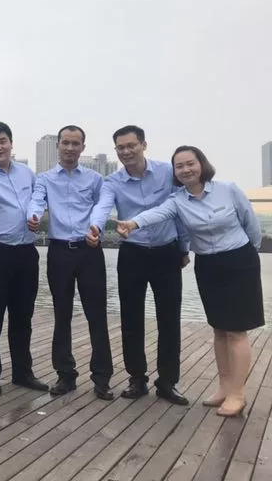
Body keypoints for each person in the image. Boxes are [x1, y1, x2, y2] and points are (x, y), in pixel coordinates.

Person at [117, 146, 264, 417]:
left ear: (201, 164)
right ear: (174, 172)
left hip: (239, 261)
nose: (186, 170)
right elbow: (156, 214)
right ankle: (224, 387)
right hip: (207, 264)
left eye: (190, 163)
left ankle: (238, 394)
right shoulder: (178, 200)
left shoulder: (228, 189)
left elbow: (251, 225)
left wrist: (248, 255)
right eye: (179, 166)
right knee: (219, 329)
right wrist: (132, 224)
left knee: (236, 331)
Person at [88, 125, 189, 405]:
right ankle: (137, 378)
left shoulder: (168, 172)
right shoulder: (112, 182)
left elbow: (180, 211)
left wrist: (183, 248)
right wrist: (96, 227)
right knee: (131, 318)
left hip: (166, 252)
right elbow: (102, 206)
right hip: (132, 254)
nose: (126, 151)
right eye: (120, 147)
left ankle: (168, 382)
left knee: (170, 319)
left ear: (144, 145)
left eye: (131, 145)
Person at [28, 125, 114, 400]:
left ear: (82, 147)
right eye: (65, 142)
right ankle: (65, 375)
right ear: (58, 146)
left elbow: (102, 207)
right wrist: (33, 216)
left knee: (97, 315)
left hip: (90, 250)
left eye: (75, 143)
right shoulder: (44, 179)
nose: (69, 148)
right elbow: (36, 201)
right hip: (59, 252)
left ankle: (102, 378)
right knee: (61, 314)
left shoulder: (95, 179)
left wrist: (97, 229)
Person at [0, 122, 49, 396]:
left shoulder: (27, 173)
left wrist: (37, 216)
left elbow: (38, 200)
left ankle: (22, 373)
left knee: (23, 316)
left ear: (11, 143)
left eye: (2, 141)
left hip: (26, 253)